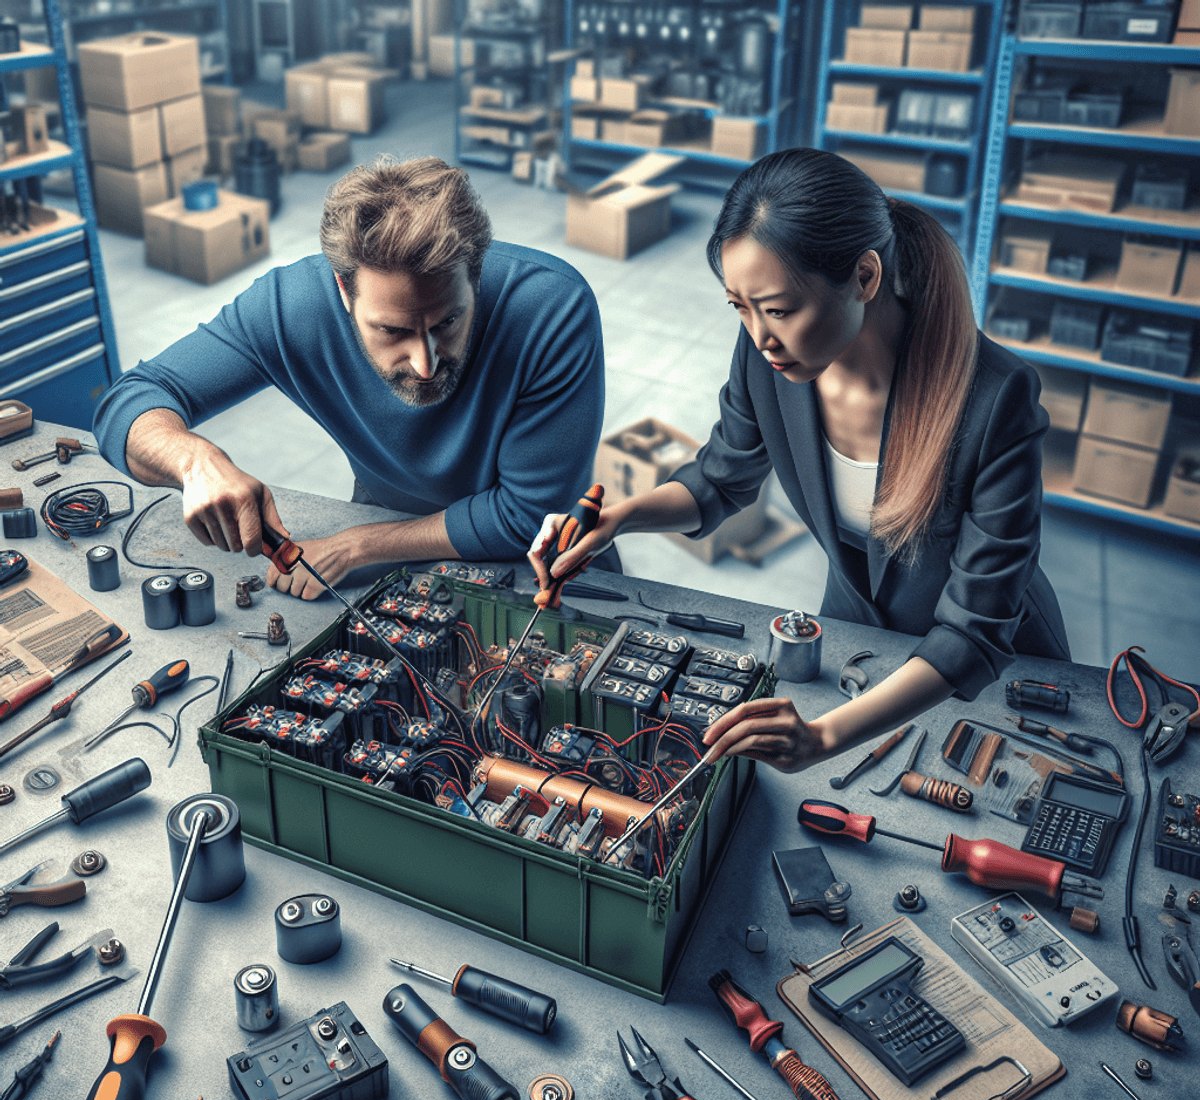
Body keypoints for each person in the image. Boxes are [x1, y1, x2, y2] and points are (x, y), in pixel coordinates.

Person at [531, 148, 1069, 773]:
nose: (761, 336)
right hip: (854, 630)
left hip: (993, 671)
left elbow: (974, 630)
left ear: (864, 278)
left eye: (780, 310)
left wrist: (821, 738)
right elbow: (718, 479)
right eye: (740, 307)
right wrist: (619, 520)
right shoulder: (768, 358)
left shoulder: (996, 399)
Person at [93, 155, 606, 598]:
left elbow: (529, 516)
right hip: (385, 521)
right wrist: (194, 460)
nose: (425, 364)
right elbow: (128, 404)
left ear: (476, 275)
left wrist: (361, 547)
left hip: (538, 567)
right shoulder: (291, 308)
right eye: (392, 330)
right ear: (343, 291)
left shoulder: (550, 308)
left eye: (448, 322)